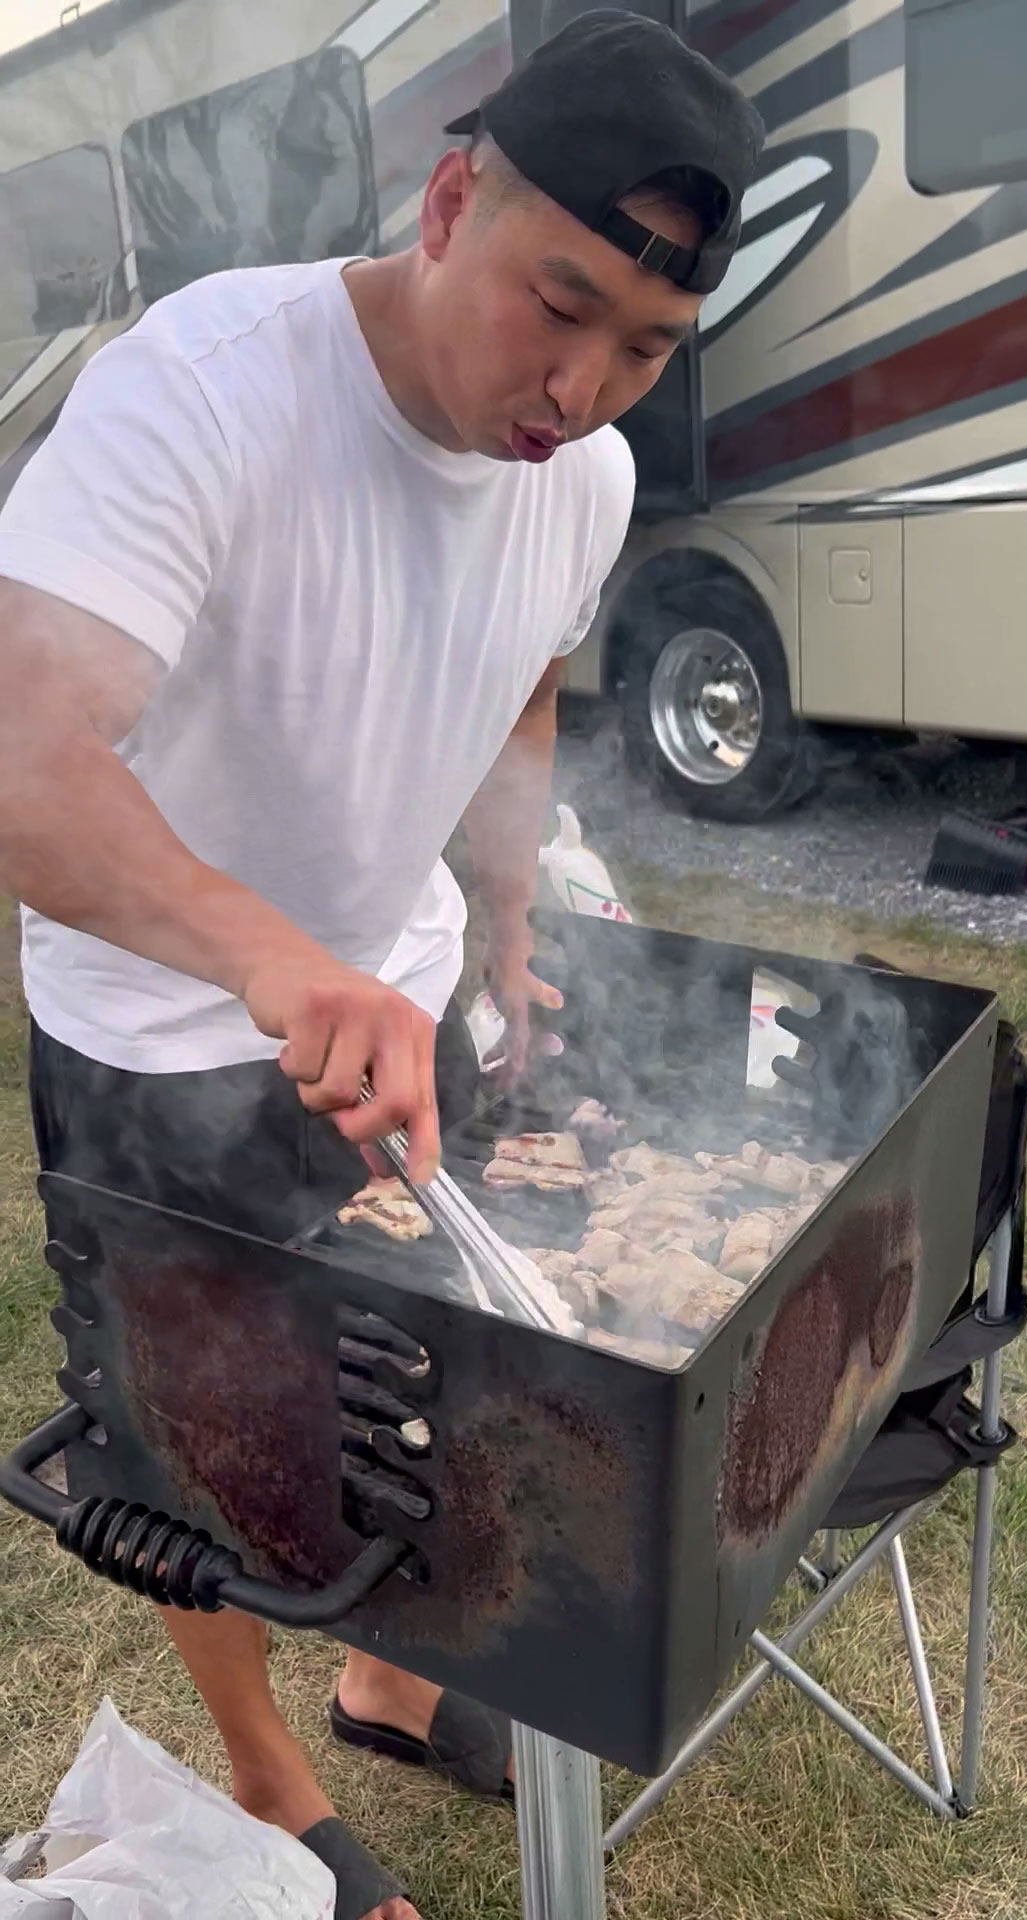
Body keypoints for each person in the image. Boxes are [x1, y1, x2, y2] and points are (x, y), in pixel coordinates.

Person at [0, 12, 762, 1918]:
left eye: (647, 350)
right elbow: (21, 758)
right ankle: (266, 1780)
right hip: (160, 1029)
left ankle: (389, 1676)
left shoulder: (579, 478)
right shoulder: (205, 387)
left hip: (406, 989)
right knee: (221, 1455)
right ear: (448, 204)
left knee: (428, 1388)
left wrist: (499, 908)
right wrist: (272, 962)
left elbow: (523, 680)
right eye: (557, 305)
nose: (583, 388)